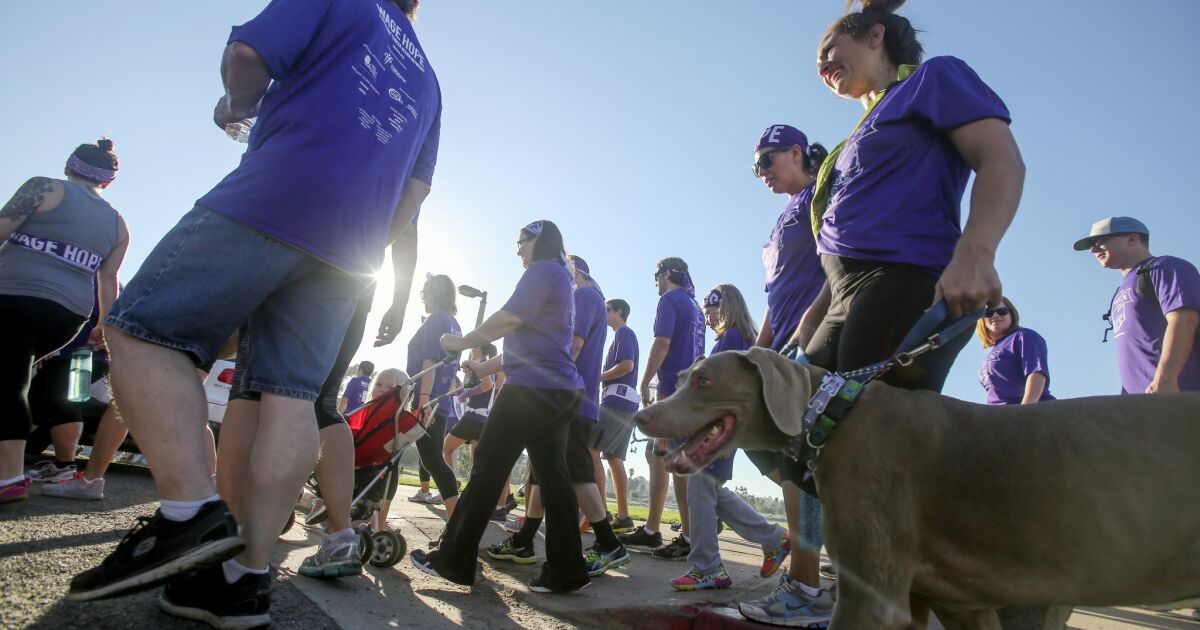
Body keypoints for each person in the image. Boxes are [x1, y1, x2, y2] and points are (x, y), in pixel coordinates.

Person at [67, 2, 440, 627]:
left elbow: (247, 57)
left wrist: (238, 105)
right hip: (352, 251)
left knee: (140, 328)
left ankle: (190, 511)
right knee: (291, 396)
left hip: (277, 194)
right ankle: (243, 580)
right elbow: (415, 195)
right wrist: (364, 243)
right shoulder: (429, 80)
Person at [767, 1, 1025, 624]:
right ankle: (917, 595)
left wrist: (977, 252)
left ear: (876, 34)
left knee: (861, 453)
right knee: (786, 438)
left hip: (903, 279)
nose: (824, 67)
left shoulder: (933, 79)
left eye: (832, 50)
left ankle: (903, 602)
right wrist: (814, 315)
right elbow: (843, 233)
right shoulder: (856, 136)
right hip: (842, 295)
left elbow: (1001, 159)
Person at [411, 220, 590, 594]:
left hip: (532, 390)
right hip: (558, 388)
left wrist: (460, 344)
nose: (518, 250)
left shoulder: (542, 270)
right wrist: (482, 367)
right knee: (554, 476)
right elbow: (529, 347)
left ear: (537, 240)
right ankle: (567, 570)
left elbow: (508, 319)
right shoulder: (560, 276)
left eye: (521, 242)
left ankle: (453, 560)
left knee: (488, 465)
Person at [738, 123, 833, 628]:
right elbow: (776, 298)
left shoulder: (824, 192)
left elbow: (844, 261)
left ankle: (807, 588)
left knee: (802, 465)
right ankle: (811, 566)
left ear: (795, 152)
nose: (762, 174)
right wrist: (757, 353)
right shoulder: (782, 220)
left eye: (767, 163)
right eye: (756, 168)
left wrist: (812, 327)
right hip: (783, 349)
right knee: (761, 440)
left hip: (816, 348)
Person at [0, 138, 128, 504]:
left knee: (30, 387)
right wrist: (104, 324)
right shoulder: (118, 223)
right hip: (69, 320)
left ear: (70, 166)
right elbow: (108, 280)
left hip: (30, 307)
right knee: (24, 383)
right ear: (108, 181)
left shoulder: (44, 187)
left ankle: (33, 471)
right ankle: (31, 466)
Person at [490, 255, 629, 578]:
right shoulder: (589, 297)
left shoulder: (581, 295)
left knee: (577, 474)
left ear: (574, 271)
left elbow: (573, 346)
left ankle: (609, 543)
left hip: (569, 400)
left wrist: (539, 377)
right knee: (541, 472)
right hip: (570, 399)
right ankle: (524, 540)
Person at [672, 285, 790, 591]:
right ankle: (774, 539)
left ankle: (707, 567)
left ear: (723, 308)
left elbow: (725, 394)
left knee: (700, 489)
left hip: (718, 431)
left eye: (711, 312)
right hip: (724, 430)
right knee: (711, 492)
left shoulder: (731, 337)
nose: (708, 318)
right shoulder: (737, 338)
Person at [619, 257, 705, 561]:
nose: (656, 281)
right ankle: (655, 529)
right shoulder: (695, 306)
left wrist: (645, 381)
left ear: (667, 274)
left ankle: (688, 536)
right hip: (690, 391)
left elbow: (662, 343)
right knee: (658, 455)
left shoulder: (670, 299)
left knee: (676, 463)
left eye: (657, 275)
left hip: (672, 392)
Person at [1074, 216, 1200, 394]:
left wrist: (1166, 378)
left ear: (1132, 239)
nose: (1093, 250)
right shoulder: (1121, 290)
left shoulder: (1164, 267)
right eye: (1091, 245)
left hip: (1179, 397)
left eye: (1100, 241)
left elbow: (1184, 319)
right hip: (1140, 405)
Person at [403, 274, 462, 517]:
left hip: (428, 398)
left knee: (432, 460)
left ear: (434, 294)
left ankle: (457, 522)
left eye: (425, 293)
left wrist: (424, 400)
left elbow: (430, 362)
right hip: (442, 399)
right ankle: (456, 520)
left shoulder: (436, 320)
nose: (423, 297)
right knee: (433, 459)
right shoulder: (453, 323)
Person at [442, 343, 516, 521]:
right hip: (487, 418)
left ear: (479, 349)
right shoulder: (489, 366)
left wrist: (465, 393)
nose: (470, 349)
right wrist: (462, 392)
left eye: (473, 347)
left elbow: (487, 386)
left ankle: (450, 489)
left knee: (446, 449)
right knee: (480, 464)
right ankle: (491, 502)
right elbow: (491, 387)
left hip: (479, 416)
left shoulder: (484, 366)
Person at [591, 298, 639, 534]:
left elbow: (627, 365)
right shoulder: (621, 336)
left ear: (619, 312)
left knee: (590, 448)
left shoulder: (623, 334)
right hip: (628, 402)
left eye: (607, 310)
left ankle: (600, 512)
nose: (604, 313)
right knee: (614, 458)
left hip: (615, 399)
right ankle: (623, 517)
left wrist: (596, 377)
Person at [976, 297, 1054, 405]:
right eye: (989, 313)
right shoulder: (992, 351)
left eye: (1001, 311)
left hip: (1028, 414)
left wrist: (1024, 413)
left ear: (1011, 313)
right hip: (998, 416)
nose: (995, 316)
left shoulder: (1023, 336)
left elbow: (1036, 373)